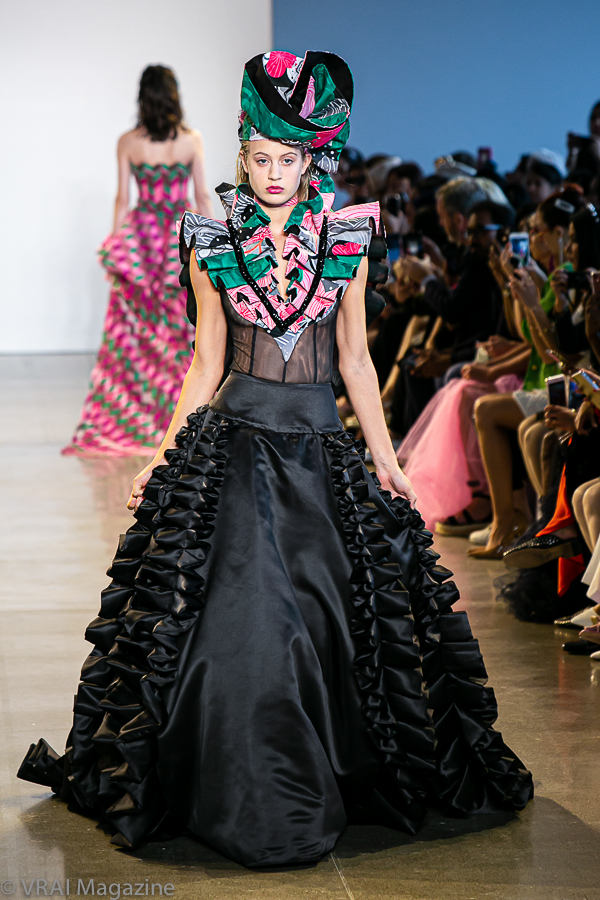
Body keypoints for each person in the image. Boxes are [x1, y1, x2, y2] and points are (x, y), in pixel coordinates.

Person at [18, 50, 532, 869]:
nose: (271, 174)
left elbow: (356, 361)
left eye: (286, 160)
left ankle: (324, 774)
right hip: (234, 448)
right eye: (258, 159)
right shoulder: (212, 238)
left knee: (333, 618)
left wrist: (387, 459)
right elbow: (204, 363)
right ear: (242, 153)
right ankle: (251, 790)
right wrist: (160, 456)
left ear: (310, 159)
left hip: (322, 453)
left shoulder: (346, 238)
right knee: (247, 626)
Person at [63, 65, 212, 456]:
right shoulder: (191, 140)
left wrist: (116, 246)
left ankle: (135, 415)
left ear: (142, 98)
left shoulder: (128, 142)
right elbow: (201, 197)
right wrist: (217, 245)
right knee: (178, 331)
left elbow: (122, 199)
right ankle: (178, 419)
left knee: (134, 336)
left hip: (142, 240)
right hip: (177, 239)